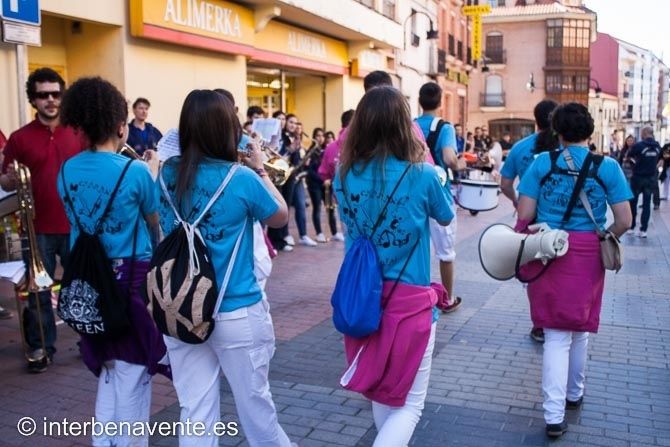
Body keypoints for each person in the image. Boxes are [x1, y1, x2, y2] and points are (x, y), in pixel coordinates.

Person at [158, 89, 294, 447]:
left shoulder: (167, 173)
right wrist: (260, 168)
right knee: (255, 408)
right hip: (235, 309)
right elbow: (280, 216)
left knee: (195, 409)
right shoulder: (241, 178)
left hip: (182, 308)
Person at [334, 85, 453, 447]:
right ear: (405, 125)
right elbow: (446, 216)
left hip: (360, 298)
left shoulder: (344, 174)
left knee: (382, 391)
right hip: (409, 301)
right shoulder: (423, 175)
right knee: (410, 404)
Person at [56, 76, 167, 447]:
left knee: (107, 369)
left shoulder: (66, 170)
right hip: (129, 281)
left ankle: (104, 442)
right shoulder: (134, 171)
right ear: (121, 126)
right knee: (133, 371)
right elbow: (154, 220)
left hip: (85, 280)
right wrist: (152, 173)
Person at [515, 102, 632, 438]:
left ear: (558, 131)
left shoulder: (542, 163)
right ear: (589, 131)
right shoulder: (607, 166)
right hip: (586, 253)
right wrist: (604, 237)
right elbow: (625, 220)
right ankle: (574, 393)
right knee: (579, 327)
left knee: (554, 333)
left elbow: (524, 214)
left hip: (548, 248)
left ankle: (554, 416)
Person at [0, 67, 87, 372]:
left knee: (82, 287)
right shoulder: (19, 138)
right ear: (33, 99)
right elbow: (6, 182)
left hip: (77, 226)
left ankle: (90, 342)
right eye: (43, 95)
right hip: (37, 230)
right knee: (38, 293)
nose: (50, 100)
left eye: (55, 94)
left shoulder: (79, 132)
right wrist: (9, 179)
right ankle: (41, 348)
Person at [500, 99, 558, 344]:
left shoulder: (520, 147)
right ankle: (558, 320)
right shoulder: (566, 147)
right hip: (561, 220)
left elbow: (505, 184)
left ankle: (540, 324)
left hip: (530, 220)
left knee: (535, 275)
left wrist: (517, 202)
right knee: (559, 272)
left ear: (536, 120)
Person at [415, 82, 466, 313]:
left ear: (419, 101)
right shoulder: (445, 128)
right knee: (446, 253)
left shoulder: (410, 125)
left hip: (412, 194)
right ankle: (447, 299)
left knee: (418, 250)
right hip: (439, 194)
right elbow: (449, 159)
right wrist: (460, 163)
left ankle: (417, 297)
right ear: (439, 103)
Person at [306, 127, 340, 243]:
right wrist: (322, 178)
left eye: (322, 136)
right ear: (314, 137)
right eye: (317, 136)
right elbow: (310, 170)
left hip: (327, 184)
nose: (320, 138)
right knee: (317, 208)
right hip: (314, 184)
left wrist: (329, 179)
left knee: (330, 208)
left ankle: (335, 233)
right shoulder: (311, 151)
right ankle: (319, 233)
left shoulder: (327, 150)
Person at [627, 126, 661, 237]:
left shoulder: (639, 146)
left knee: (633, 203)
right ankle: (643, 230)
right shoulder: (657, 146)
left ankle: (631, 227)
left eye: (642, 133)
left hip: (638, 177)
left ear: (645, 133)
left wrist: (635, 165)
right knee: (647, 204)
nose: (641, 135)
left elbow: (629, 156)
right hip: (650, 178)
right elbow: (661, 159)